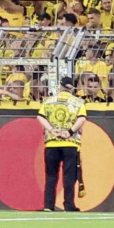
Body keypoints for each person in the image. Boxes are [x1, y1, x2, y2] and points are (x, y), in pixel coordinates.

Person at [35, 79, 87, 212]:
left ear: (60, 87)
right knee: (69, 175)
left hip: (52, 143)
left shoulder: (48, 101)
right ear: (72, 88)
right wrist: (70, 132)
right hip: (70, 143)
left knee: (51, 175)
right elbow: (81, 118)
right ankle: (69, 205)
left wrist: (52, 130)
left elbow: (40, 117)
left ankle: (48, 205)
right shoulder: (78, 102)